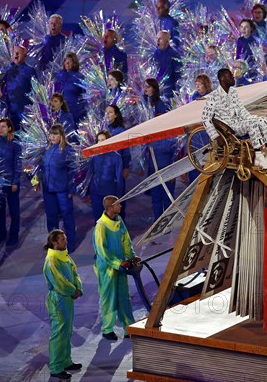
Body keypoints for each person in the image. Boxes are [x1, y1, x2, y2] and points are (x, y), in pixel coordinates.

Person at [202, 68, 267, 170]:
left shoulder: (233, 92)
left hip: (239, 121)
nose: (233, 76)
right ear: (222, 78)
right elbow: (205, 118)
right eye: (230, 75)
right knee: (252, 124)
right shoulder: (213, 97)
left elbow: (241, 109)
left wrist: (253, 117)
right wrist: (215, 136)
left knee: (262, 119)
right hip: (229, 127)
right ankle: (258, 157)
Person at [92, 195, 140, 340]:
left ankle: (128, 328)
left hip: (121, 266)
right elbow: (102, 251)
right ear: (110, 207)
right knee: (109, 299)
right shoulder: (101, 226)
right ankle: (107, 329)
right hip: (107, 269)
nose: (121, 206)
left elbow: (126, 240)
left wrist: (131, 256)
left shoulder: (119, 220)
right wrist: (117, 263)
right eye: (118, 204)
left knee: (124, 298)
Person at [43, 229, 83, 380]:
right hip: (58, 300)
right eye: (62, 240)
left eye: (65, 239)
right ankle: (55, 367)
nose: (66, 241)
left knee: (67, 332)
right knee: (59, 334)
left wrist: (78, 288)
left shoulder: (65, 255)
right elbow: (60, 283)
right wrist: (74, 291)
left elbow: (74, 273)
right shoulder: (51, 261)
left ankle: (66, 361)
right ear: (54, 243)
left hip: (67, 299)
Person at [39, 124, 77, 253]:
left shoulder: (68, 150)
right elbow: (42, 167)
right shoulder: (47, 149)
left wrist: (72, 189)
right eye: (51, 134)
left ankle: (70, 243)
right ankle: (54, 244)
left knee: (67, 216)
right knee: (51, 217)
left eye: (55, 134)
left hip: (62, 190)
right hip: (48, 190)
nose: (53, 137)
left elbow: (73, 171)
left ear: (61, 136)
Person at [144, 78, 176, 219]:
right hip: (154, 169)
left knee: (167, 198)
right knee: (156, 198)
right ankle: (158, 221)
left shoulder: (170, 137)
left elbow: (174, 153)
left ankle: (167, 223)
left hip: (167, 170)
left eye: (148, 87)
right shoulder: (144, 104)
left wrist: (173, 172)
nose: (145, 89)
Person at [0, 118, 22, 246]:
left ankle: (14, 236)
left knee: (14, 210)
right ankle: (2, 233)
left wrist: (15, 181)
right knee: (0, 210)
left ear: (10, 128)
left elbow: (18, 164)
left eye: (3, 126)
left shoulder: (15, 143)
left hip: (11, 182)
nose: (0, 129)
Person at [89, 131, 124, 221]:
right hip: (96, 192)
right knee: (98, 218)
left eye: (103, 140)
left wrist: (119, 197)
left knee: (110, 219)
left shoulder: (116, 157)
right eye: (99, 140)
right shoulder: (94, 156)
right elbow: (90, 174)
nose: (100, 142)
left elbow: (119, 178)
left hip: (109, 193)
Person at [1, 45, 36, 130]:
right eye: (14, 52)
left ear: (25, 56)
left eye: (19, 53)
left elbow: (36, 91)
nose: (16, 55)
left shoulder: (30, 71)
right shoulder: (7, 70)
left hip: (24, 112)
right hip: (9, 111)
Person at [54, 52, 86, 124]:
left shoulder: (80, 77)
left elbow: (85, 96)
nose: (67, 63)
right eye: (66, 60)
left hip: (74, 111)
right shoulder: (59, 75)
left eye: (70, 61)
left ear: (74, 63)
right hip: (60, 110)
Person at [104, 104, 131, 181]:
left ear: (116, 115)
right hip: (105, 166)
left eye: (110, 112)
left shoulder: (121, 131)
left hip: (117, 166)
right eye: (106, 112)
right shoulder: (102, 129)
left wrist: (126, 167)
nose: (107, 114)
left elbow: (126, 150)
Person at [153, 30, 181, 98]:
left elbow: (178, 74)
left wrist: (177, 91)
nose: (158, 41)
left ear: (167, 41)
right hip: (158, 89)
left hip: (170, 91)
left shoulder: (174, 54)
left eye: (160, 39)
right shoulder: (156, 53)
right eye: (157, 39)